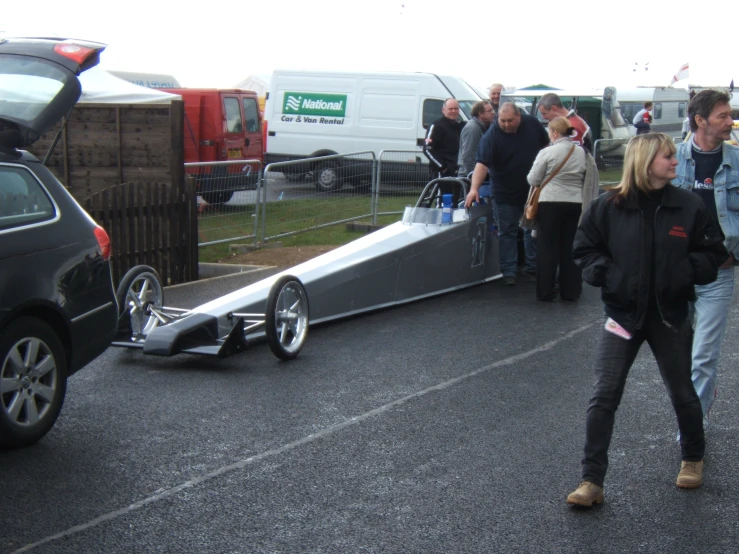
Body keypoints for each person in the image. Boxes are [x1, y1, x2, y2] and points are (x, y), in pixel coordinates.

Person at [567, 133, 728, 507]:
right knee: (603, 396)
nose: (675, 162)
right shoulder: (607, 206)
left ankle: (692, 458)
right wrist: (607, 275)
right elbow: (585, 248)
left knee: (683, 392)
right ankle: (591, 481)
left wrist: (684, 272)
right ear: (644, 162)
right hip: (621, 315)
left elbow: (713, 251)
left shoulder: (688, 206)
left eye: (674, 156)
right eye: (667, 157)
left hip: (669, 315)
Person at [672, 89, 739, 429]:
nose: (730, 121)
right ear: (700, 121)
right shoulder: (672, 158)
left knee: (703, 357)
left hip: (718, 272)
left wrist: (732, 253)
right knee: (679, 354)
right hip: (675, 273)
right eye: (723, 116)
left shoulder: (738, 161)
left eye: (730, 115)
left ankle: (692, 431)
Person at [464, 102, 549, 285]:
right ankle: (509, 271)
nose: (506, 125)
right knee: (507, 231)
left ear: (519, 116)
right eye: (502, 121)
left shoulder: (532, 124)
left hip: (532, 191)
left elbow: (547, 146)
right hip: (504, 191)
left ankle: (533, 267)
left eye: (510, 120)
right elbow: (481, 164)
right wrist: (474, 189)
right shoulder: (491, 136)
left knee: (531, 229)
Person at [526, 117, 587, 301]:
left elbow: (533, 179)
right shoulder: (581, 152)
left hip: (550, 202)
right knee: (570, 247)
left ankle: (545, 291)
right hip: (575, 201)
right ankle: (571, 291)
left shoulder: (547, 152)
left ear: (553, 132)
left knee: (547, 248)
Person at [423, 98, 463, 180]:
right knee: (443, 193)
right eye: (450, 109)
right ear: (443, 110)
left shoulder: (459, 126)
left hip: (456, 171)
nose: (453, 111)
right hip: (441, 173)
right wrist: (442, 167)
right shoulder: (437, 126)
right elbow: (427, 149)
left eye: (456, 109)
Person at [457, 100, 494, 177]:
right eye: (489, 111)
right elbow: (468, 156)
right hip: (468, 175)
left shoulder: (485, 127)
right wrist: (473, 177)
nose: (493, 113)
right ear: (481, 114)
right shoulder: (473, 128)